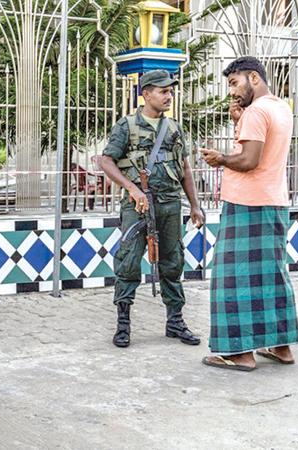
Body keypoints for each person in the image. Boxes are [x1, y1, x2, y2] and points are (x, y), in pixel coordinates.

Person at [200, 56, 298, 371]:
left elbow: (249, 161)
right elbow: (264, 149)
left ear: (253, 78)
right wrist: (239, 122)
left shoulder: (256, 112)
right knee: (272, 276)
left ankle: (239, 353)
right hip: (274, 202)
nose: (231, 91)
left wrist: (219, 158)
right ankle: (281, 347)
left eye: (234, 83)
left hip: (246, 204)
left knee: (231, 278)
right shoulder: (281, 107)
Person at [100, 69, 205, 348]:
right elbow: (106, 161)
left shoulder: (175, 128)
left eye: (171, 91)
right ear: (146, 94)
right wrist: (132, 189)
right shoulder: (127, 126)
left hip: (170, 202)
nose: (169, 95)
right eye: (163, 91)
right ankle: (123, 323)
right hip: (138, 204)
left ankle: (175, 321)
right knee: (129, 261)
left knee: (173, 261)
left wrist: (195, 205)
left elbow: (184, 169)